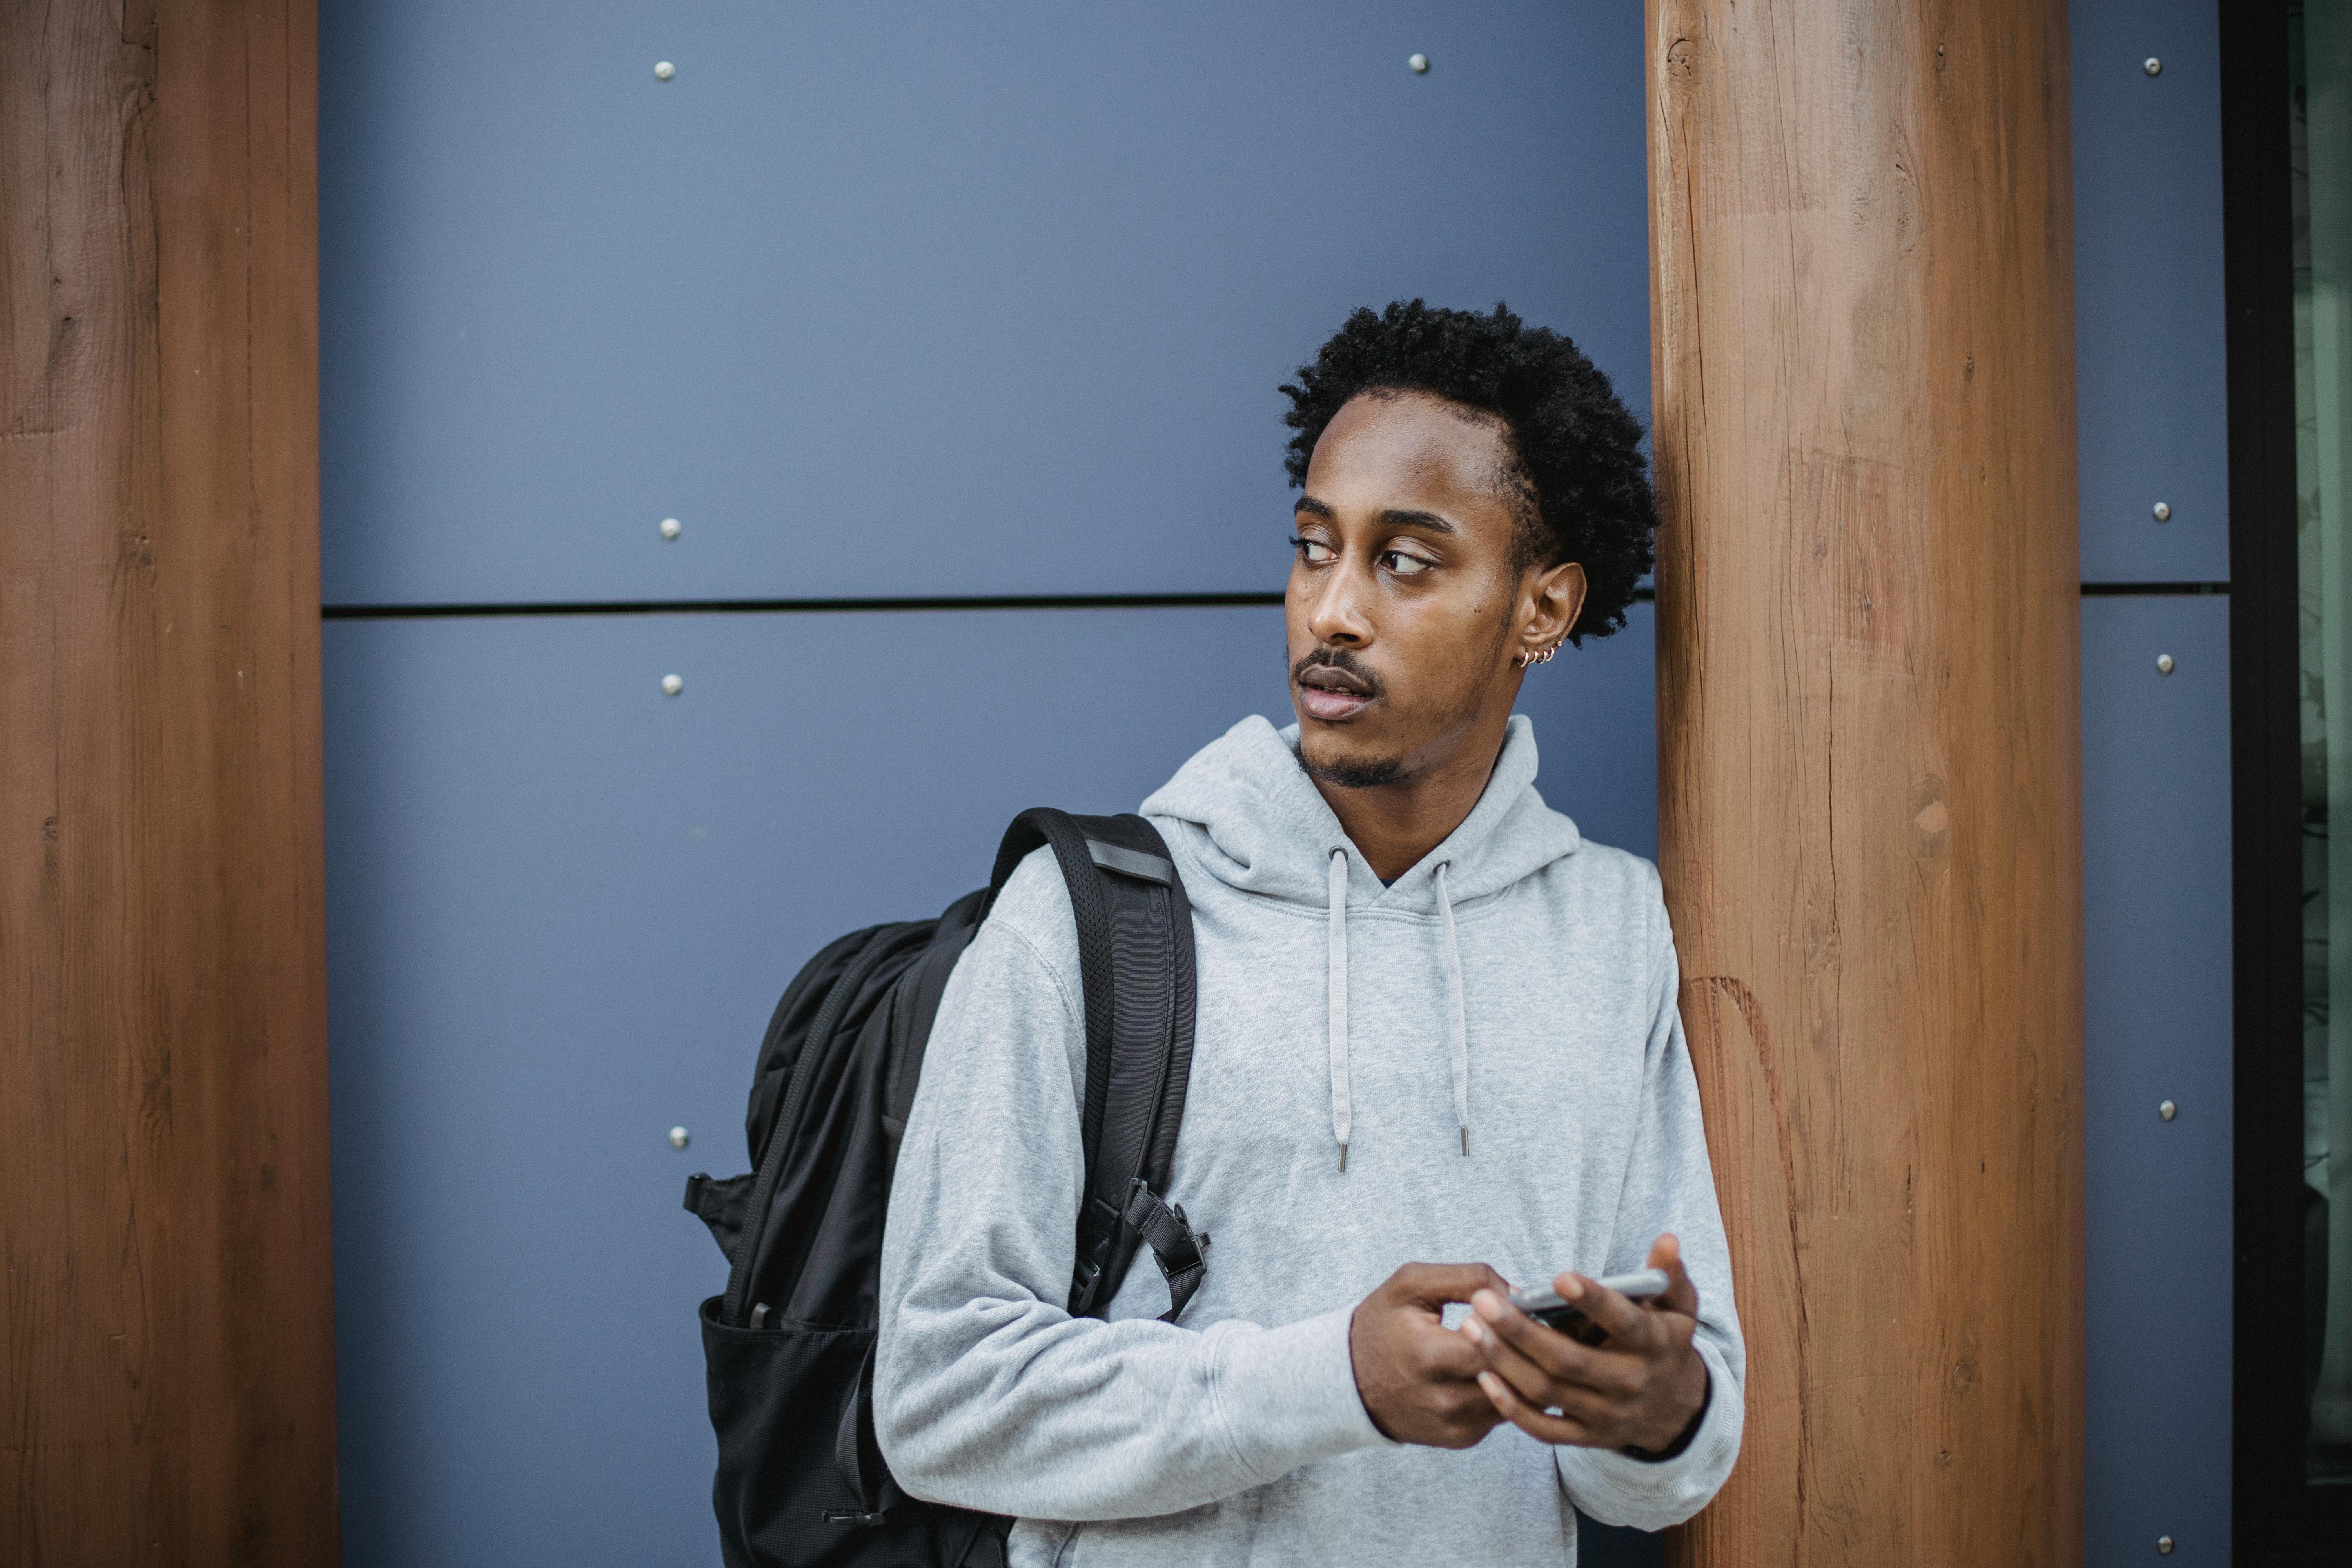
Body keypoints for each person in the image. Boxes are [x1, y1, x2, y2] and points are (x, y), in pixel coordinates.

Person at [876, 300, 1742, 1565]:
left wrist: (1661, 1418)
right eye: (1312, 548)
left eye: (1406, 560)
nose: (1330, 612)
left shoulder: (1610, 930)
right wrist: (1331, 1380)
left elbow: (1653, 1477)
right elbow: (937, 1398)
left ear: (1542, 610)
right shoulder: (1090, 914)